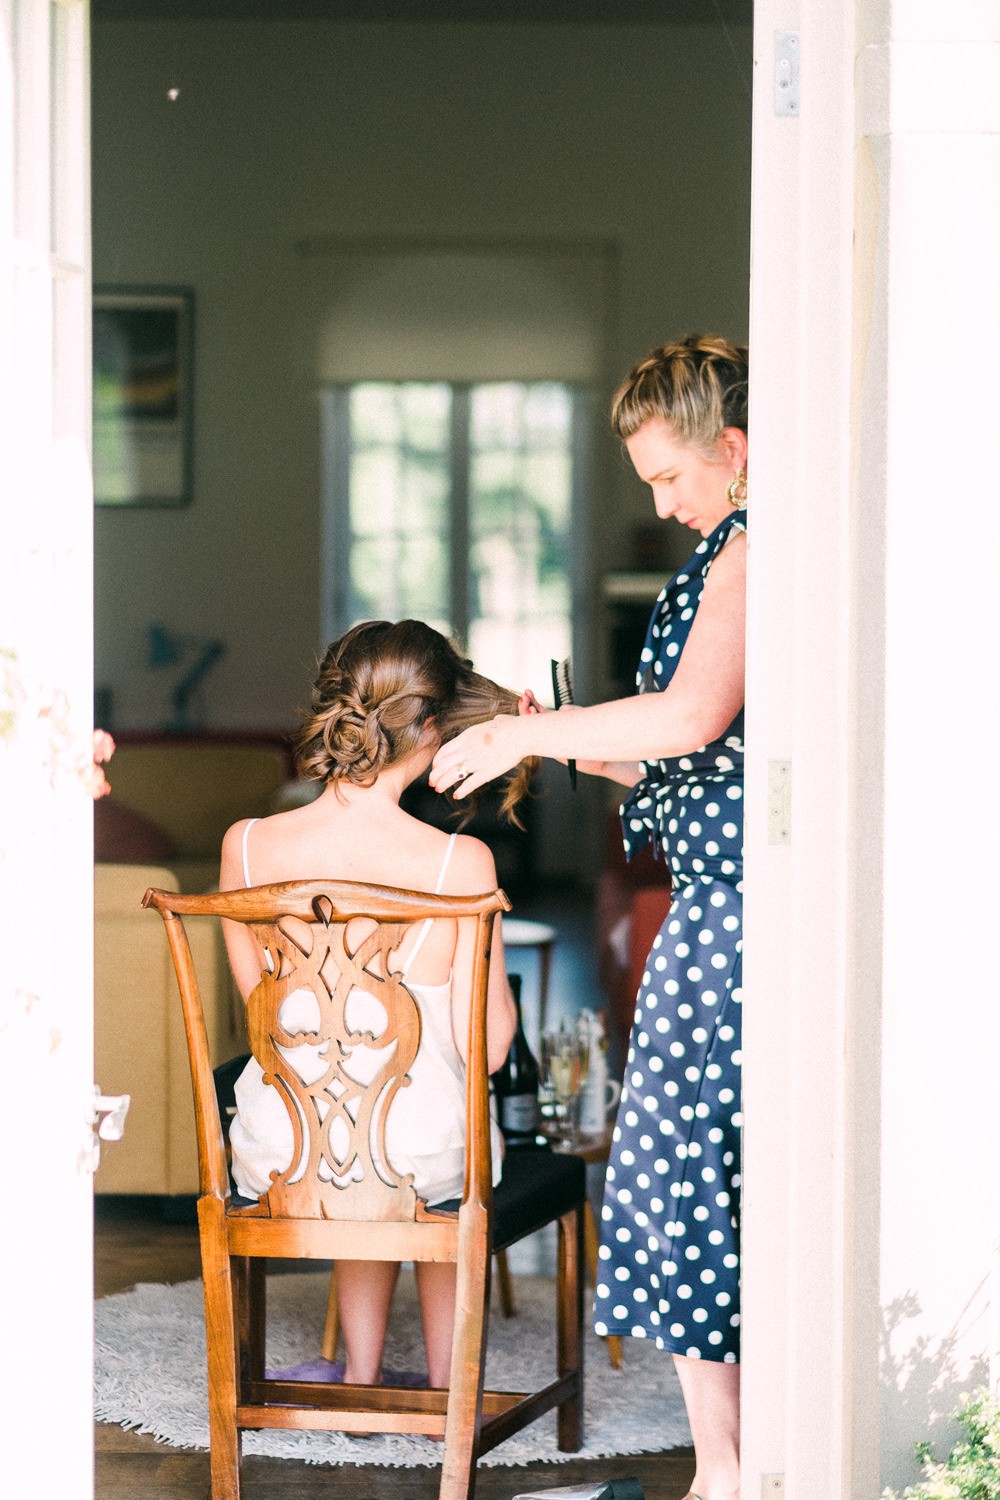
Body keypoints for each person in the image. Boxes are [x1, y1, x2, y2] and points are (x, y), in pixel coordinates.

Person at [430, 334, 748, 1500]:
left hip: (739, 916)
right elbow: (671, 758)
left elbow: (694, 717)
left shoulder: (756, 548)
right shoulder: (723, 547)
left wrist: (527, 735)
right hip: (709, 905)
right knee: (680, 1180)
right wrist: (564, 728)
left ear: (736, 448)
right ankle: (725, 1465)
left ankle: (729, 1472)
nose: (661, 505)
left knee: (697, 1179)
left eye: (670, 477)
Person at [219, 619, 531, 1392]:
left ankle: (359, 1374)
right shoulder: (461, 861)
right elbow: (487, 1050)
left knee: (356, 1111)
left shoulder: (247, 843)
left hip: (283, 1142)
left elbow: (260, 1015)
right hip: (417, 1153)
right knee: (422, 1127)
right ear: (431, 726)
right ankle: (447, 1386)